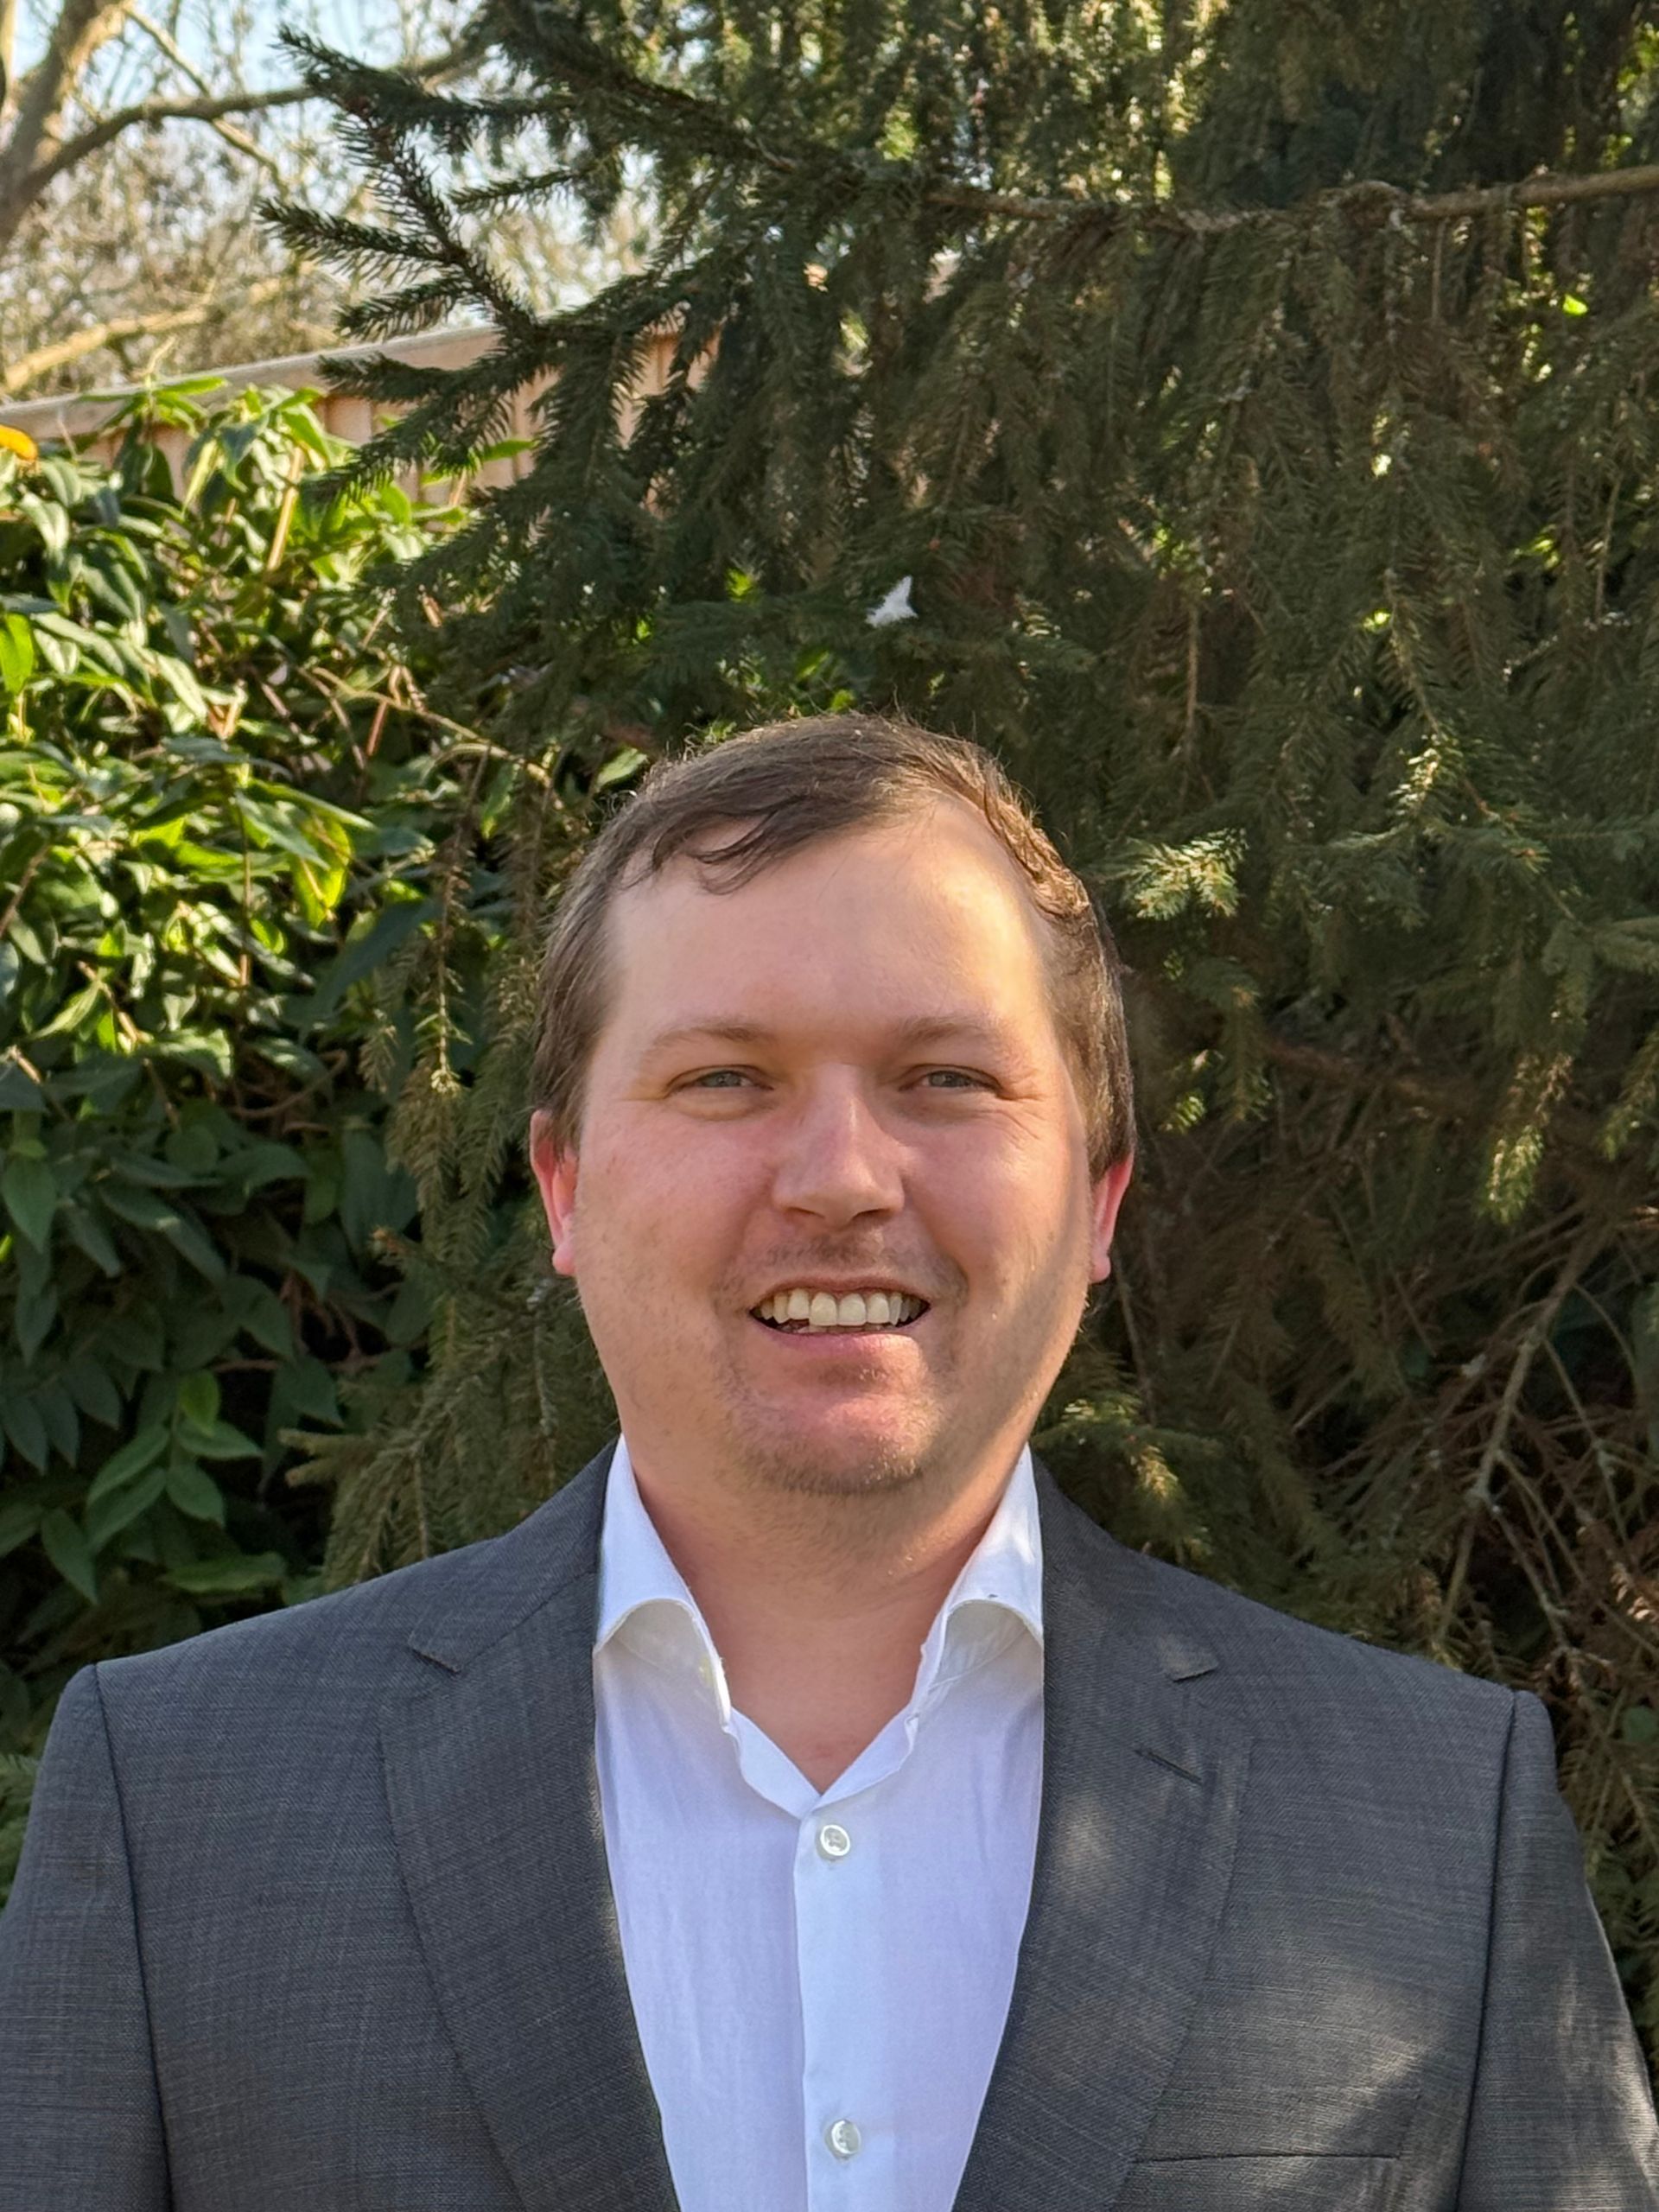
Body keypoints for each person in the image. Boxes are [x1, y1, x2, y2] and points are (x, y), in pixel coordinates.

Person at [1, 714, 1655, 2212]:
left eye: (945, 1078)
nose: (844, 1177)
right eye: (728, 1078)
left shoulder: (1439, 1820)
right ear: (565, 1190)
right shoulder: (182, 1808)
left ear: (1097, 1204)